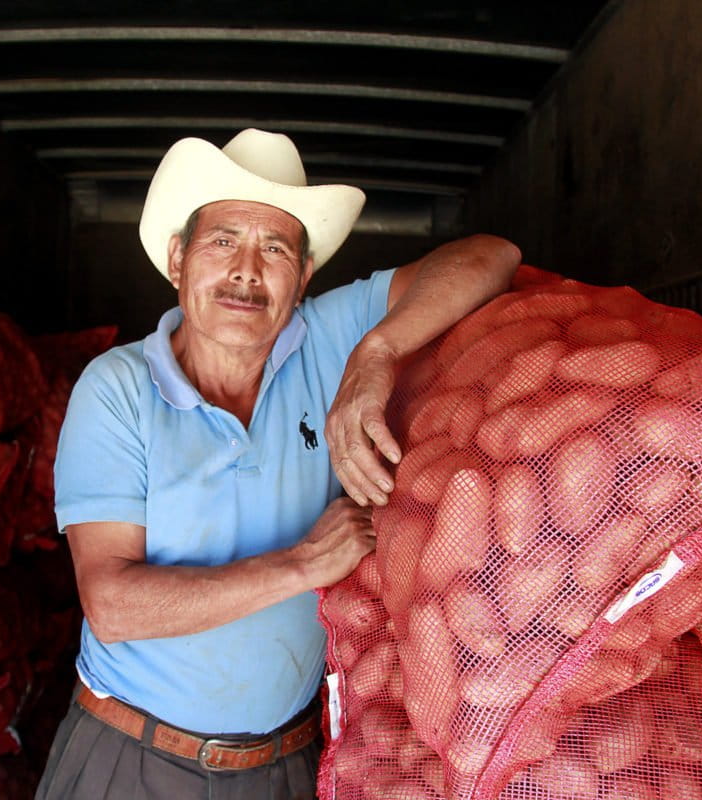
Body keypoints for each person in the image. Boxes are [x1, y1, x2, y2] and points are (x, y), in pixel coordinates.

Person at [35, 128, 521, 799]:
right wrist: (304, 565)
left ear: (304, 277)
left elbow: (492, 255)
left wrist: (376, 354)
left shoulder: (330, 338)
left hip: (286, 766)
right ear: (178, 259)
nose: (246, 269)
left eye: (275, 249)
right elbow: (114, 605)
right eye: (223, 240)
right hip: (134, 756)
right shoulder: (116, 390)